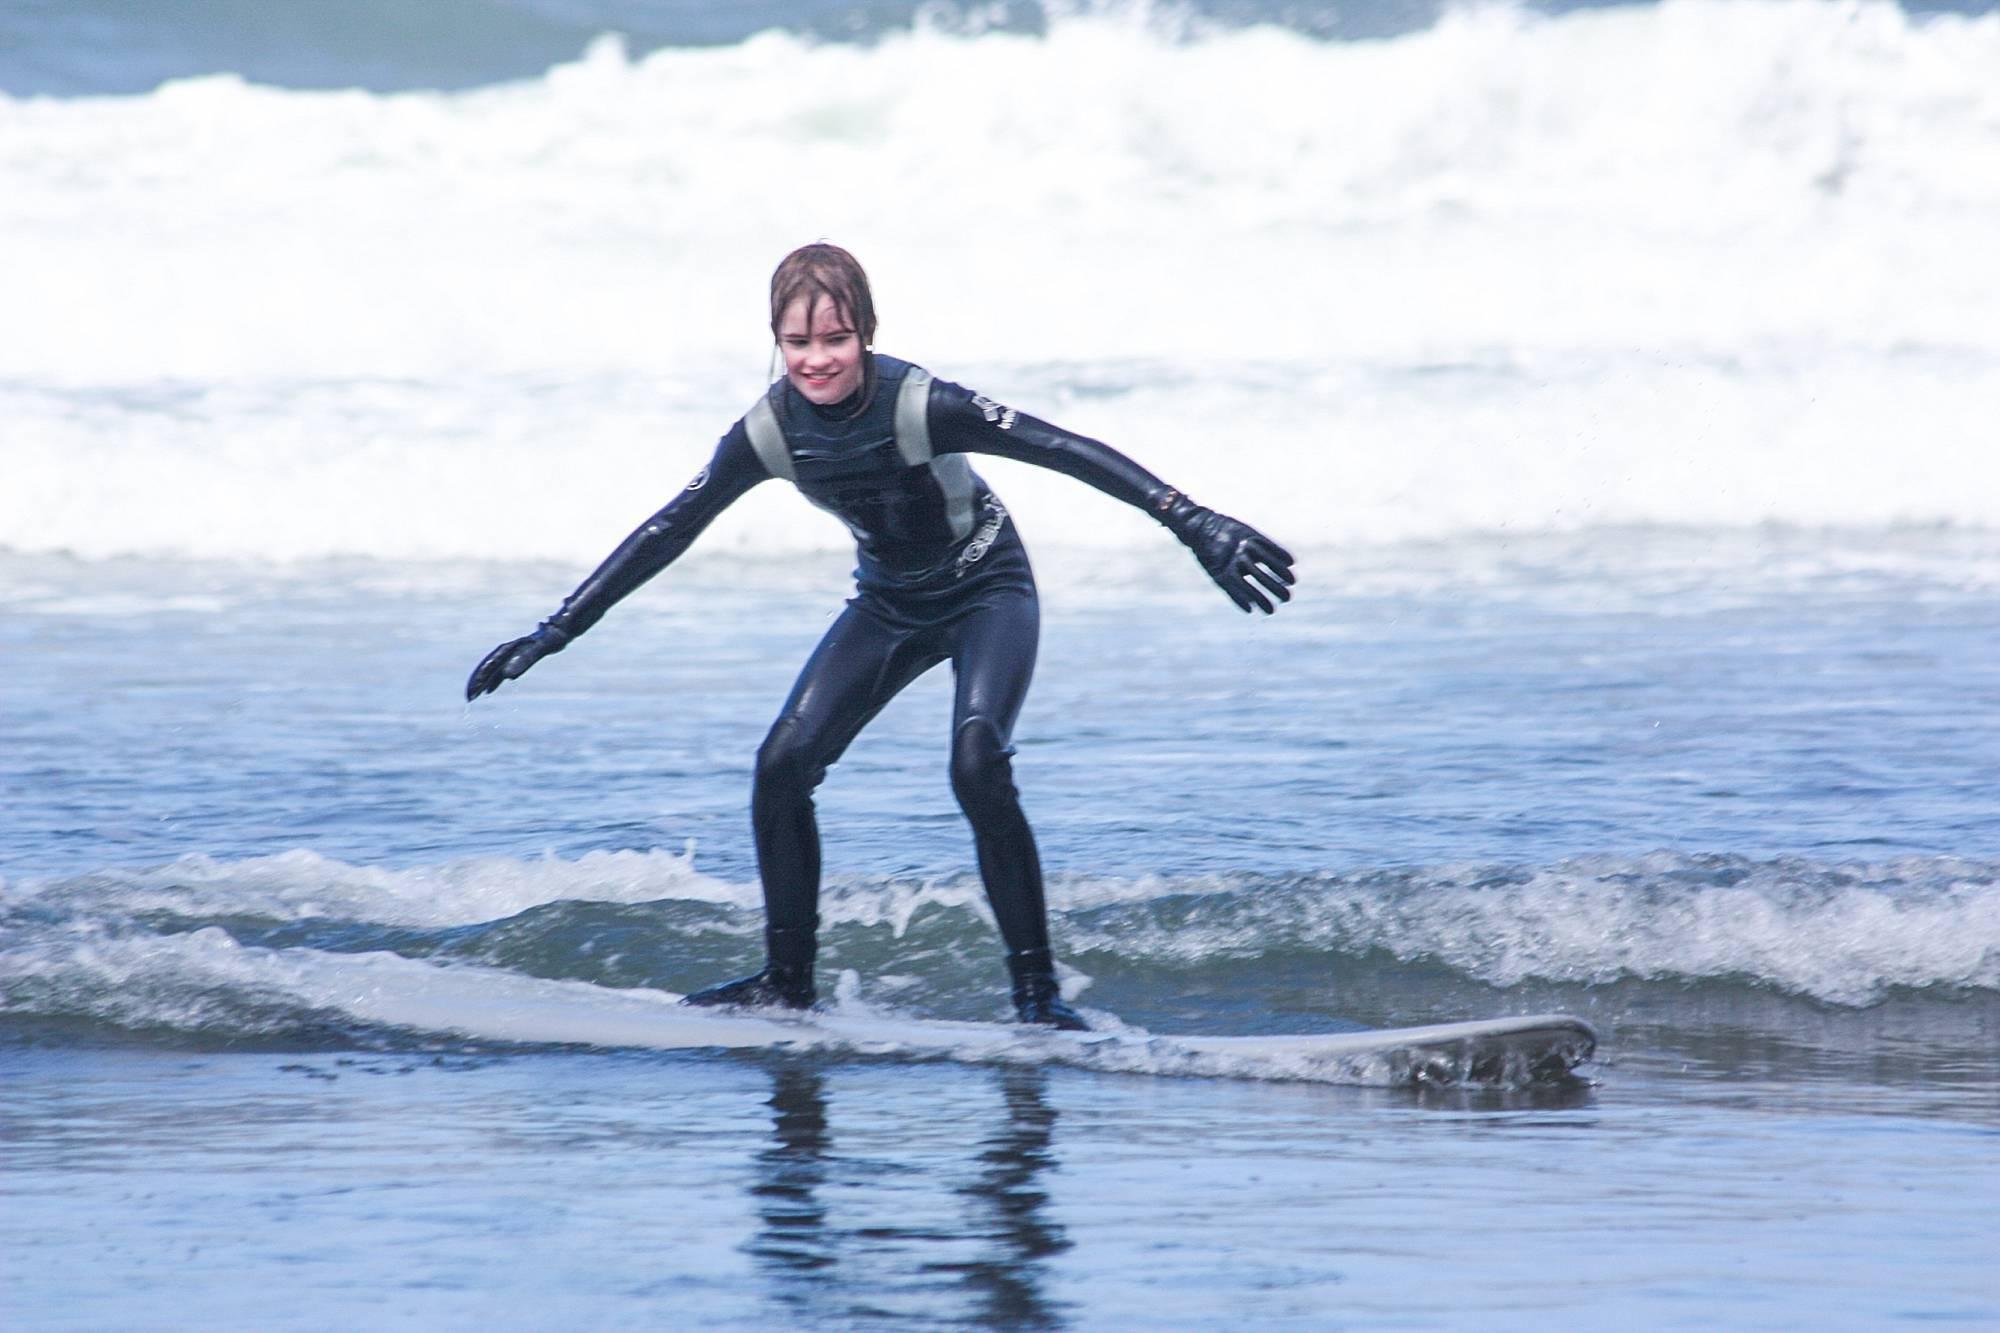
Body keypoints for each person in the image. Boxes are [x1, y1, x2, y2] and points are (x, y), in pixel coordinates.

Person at [467, 243, 1294, 1030]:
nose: (817, 357)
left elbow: (1065, 449)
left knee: (977, 763)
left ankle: (1038, 995)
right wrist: (555, 630)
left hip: (987, 590)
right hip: (890, 604)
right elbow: (669, 527)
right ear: (775, 340)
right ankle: (788, 984)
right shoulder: (767, 432)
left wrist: (1194, 522)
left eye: (836, 337)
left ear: (866, 333)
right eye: (798, 341)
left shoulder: (921, 403)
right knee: (780, 765)